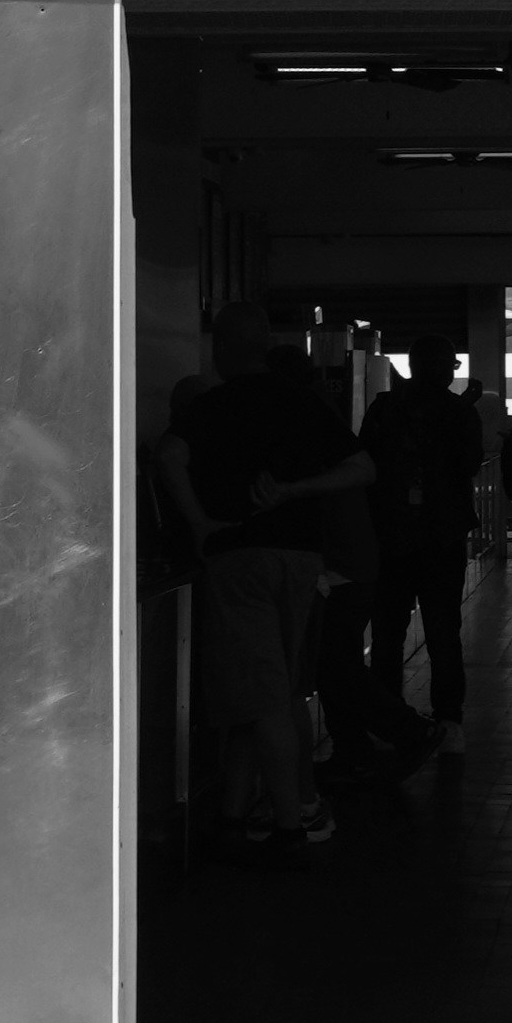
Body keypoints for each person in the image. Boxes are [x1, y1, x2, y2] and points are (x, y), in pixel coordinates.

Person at [164, 309, 367, 852]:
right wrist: (296, 491)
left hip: (238, 559)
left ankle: (287, 825)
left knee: (263, 698)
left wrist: (201, 525)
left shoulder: (210, 407)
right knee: (270, 691)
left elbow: (170, 456)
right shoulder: (302, 404)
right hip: (300, 559)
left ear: (223, 350)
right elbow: (362, 467)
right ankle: (245, 813)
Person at [361, 333, 487, 753]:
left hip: (391, 536)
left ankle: (385, 719)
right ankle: (449, 721)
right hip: (441, 536)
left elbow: (367, 465)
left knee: (387, 634)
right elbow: (469, 463)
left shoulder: (384, 408)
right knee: (442, 632)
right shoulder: (459, 412)